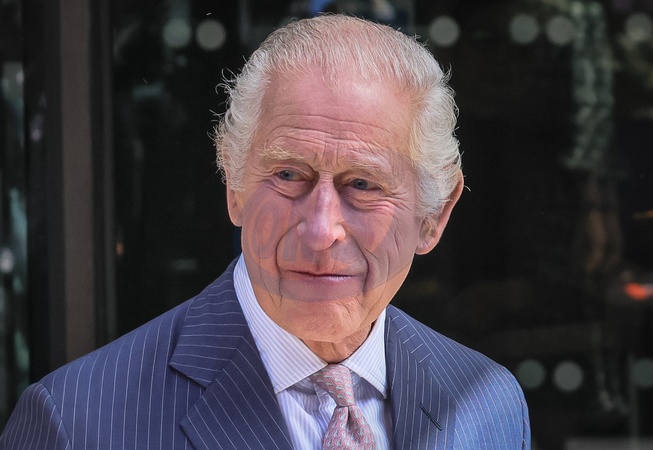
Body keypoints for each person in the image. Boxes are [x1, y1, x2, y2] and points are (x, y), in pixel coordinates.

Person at [0, 14, 530, 449]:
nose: (320, 230)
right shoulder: (76, 423)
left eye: (363, 184)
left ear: (434, 216)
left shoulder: (488, 405)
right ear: (233, 186)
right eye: (289, 176)